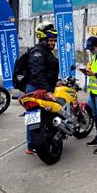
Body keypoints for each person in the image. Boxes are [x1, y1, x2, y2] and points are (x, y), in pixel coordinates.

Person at [25, 21, 59, 154]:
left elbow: (46, 72)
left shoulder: (45, 51)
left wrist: (55, 83)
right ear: (42, 39)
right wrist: (47, 91)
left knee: (37, 118)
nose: (52, 43)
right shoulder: (38, 53)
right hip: (36, 89)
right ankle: (32, 145)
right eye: (50, 40)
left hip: (40, 87)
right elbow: (37, 74)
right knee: (34, 118)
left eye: (54, 40)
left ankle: (33, 145)